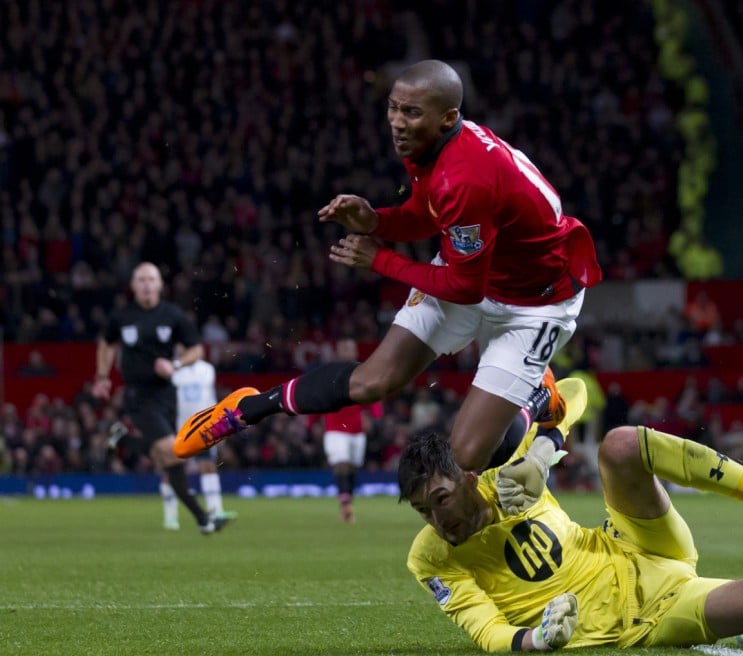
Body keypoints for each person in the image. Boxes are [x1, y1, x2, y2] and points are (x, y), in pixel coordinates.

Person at [175, 59, 601, 477]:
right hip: (479, 270)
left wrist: (379, 258)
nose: (397, 121)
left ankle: (537, 397)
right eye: (393, 107)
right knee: (370, 382)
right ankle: (246, 409)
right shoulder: (433, 145)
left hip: (535, 303)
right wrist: (378, 221)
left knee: (470, 455)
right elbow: (430, 212)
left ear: (448, 116)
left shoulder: (465, 176)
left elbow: (463, 287)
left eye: (411, 112)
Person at [400, 380, 743, 653]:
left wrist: (542, 452)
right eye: (423, 511)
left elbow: (572, 390)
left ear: (470, 481)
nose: (437, 521)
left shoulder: (507, 475)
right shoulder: (432, 557)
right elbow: (487, 631)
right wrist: (537, 639)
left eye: (441, 500)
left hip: (635, 544)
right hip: (649, 620)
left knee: (621, 445)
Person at [93, 262, 229, 535]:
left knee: (170, 463)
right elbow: (106, 343)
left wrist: (176, 365)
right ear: (133, 285)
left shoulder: (173, 315)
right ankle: (122, 439)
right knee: (172, 451)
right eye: (140, 279)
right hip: (138, 395)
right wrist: (102, 376)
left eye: (150, 279)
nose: (145, 284)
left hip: (167, 395)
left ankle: (203, 519)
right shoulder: (122, 316)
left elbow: (196, 349)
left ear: (159, 285)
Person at [168, 358, 238, 530]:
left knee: (208, 465)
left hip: (203, 428)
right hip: (179, 427)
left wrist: (219, 425)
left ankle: (217, 511)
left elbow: (211, 398)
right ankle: (170, 517)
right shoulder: (173, 368)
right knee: (172, 469)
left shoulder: (207, 369)